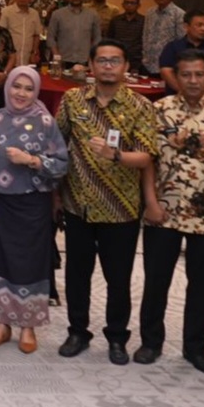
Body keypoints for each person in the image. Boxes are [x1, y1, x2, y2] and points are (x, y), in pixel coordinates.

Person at [134, 49, 204, 373]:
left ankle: (196, 349)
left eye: (200, 74)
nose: (193, 80)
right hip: (164, 212)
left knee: (203, 287)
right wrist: (151, 203)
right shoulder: (160, 110)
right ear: (176, 77)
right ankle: (150, 342)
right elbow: (147, 160)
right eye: (186, 74)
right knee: (156, 282)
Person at [54, 39, 157, 365]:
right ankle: (77, 331)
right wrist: (55, 195)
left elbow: (146, 156)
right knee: (77, 275)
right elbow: (56, 146)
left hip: (121, 208)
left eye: (115, 60)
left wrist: (116, 155)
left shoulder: (140, 106)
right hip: (78, 205)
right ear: (91, 65)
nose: (108, 66)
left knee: (118, 279)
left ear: (126, 67)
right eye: (102, 60)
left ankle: (116, 337)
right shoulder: (72, 100)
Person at [0, 66, 69, 354]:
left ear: (36, 91)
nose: (21, 93)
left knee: (28, 265)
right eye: (16, 86)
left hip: (31, 205)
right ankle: (1, 324)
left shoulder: (46, 122)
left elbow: (61, 165)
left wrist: (31, 160)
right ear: (7, 87)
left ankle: (27, 327)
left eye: (28, 88)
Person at [158, 11, 204, 95]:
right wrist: (185, 92)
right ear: (186, 26)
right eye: (199, 25)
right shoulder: (172, 47)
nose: (203, 29)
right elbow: (166, 71)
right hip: (176, 96)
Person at [47, 0, 101, 70]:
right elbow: (50, 37)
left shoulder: (93, 14)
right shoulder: (57, 14)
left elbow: (97, 37)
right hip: (63, 61)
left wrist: (92, 54)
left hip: (85, 60)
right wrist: (56, 55)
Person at [142, 0, 186, 75]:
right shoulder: (150, 12)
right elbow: (145, 35)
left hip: (168, 66)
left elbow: (181, 41)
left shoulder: (179, 14)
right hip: (148, 64)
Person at [0, 0, 44, 67]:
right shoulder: (6, 12)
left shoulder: (34, 14)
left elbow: (36, 35)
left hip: (28, 58)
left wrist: (34, 52)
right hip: (9, 58)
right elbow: (1, 34)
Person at [108, 0, 148, 75]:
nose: (129, 5)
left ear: (138, 5)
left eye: (132, 3)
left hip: (136, 62)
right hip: (116, 59)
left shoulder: (144, 21)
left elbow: (146, 42)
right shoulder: (115, 20)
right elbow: (109, 40)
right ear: (123, 4)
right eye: (127, 2)